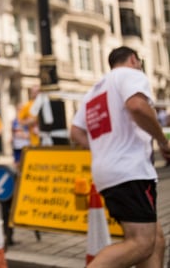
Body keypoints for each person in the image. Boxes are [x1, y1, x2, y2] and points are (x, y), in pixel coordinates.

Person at [70, 46, 170, 268]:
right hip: (130, 171)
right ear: (134, 59)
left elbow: (75, 132)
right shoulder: (131, 75)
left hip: (108, 172)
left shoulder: (94, 90)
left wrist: (102, 149)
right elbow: (137, 106)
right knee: (142, 243)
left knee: (155, 239)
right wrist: (163, 141)